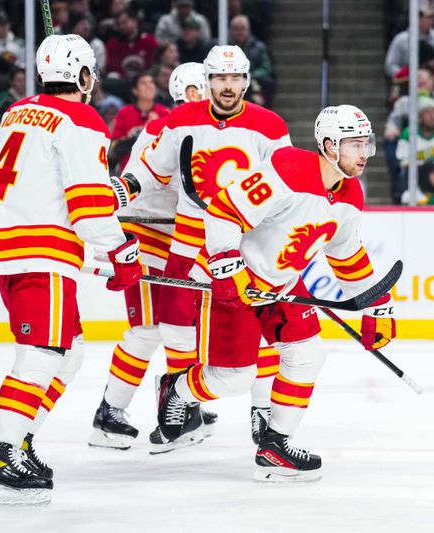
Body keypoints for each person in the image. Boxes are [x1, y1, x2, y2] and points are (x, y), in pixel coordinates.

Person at [154, 105, 395, 481]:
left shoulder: (351, 195)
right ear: (330, 145)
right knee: (234, 378)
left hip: (279, 286)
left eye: (367, 143)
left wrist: (378, 307)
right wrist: (228, 268)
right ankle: (178, 389)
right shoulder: (288, 169)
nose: (365, 153)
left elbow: (346, 255)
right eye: (355, 144)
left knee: (309, 352)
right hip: (232, 283)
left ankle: (275, 446)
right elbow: (222, 212)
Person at [0, 34, 142, 506]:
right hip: (40, 252)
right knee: (44, 353)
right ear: (85, 77)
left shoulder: (17, 110)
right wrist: (121, 251)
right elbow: (87, 210)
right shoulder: (82, 118)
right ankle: (2, 456)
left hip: (6, 246)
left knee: (68, 354)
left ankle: (19, 439)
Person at [122, 45, 292, 451]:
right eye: (220, 79)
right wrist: (122, 189)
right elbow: (151, 169)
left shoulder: (269, 126)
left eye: (235, 79)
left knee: (261, 331)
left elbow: (286, 182)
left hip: (241, 246)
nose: (228, 87)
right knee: (175, 329)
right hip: (188, 240)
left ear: (246, 81)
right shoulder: (181, 120)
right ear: (208, 81)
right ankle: (184, 407)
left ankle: (263, 411)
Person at [89, 62, 211, 450]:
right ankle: (110, 413)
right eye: (206, 87)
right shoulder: (165, 128)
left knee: (182, 326)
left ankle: (181, 406)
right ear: (191, 92)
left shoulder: (201, 127)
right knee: (148, 330)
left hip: (176, 241)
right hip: (144, 235)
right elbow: (145, 182)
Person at [109, 72, 170, 173]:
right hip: (129, 171)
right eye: (143, 83)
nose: (149, 86)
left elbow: (169, 146)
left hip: (157, 172)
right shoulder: (125, 112)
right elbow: (115, 148)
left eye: (151, 82)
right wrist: (137, 133)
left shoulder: (164, 113)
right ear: (135, 90)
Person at [385, 7, 434, 77]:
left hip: (432, 81)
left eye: (432, 18)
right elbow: (390, 65)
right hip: (406, 81)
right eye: (428, 18)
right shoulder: (400, 40)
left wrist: (430, 77)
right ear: (417, 19)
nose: (431, 21)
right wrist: (406, 75)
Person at [229, 14, 274, 107]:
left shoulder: (259, 48)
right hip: (230, 80)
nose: (239, 32)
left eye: (242, 29)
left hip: (252, 80)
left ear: (248, 30)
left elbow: (265, 68)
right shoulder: (224, 47)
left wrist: (250, 75)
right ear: (231, 31)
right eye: (236, 29)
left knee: (267, 82)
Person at [105, 9, 158, 80]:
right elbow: (112, 66)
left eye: (124, 22)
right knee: (112, 76)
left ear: (135, 21)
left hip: (145, 78)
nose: (121, 26)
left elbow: (154, 63)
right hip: (123, 81)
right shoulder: (113, 44)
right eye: (119, 24)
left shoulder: (149, 41)